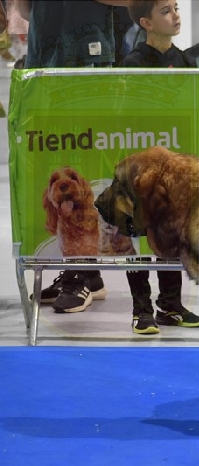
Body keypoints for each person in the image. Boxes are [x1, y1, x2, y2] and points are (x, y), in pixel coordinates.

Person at [20, 0, 129, 313]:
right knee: (55, 153)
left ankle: (78, 274)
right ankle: (86, 273)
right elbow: (25, 8)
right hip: (45, 55)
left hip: (89, 57)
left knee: (83, 158)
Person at [121, 0, 199, 334]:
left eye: (176, 8)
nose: (176, 15)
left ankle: (171, 306)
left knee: (171, 234)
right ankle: (140, 309)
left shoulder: (187, 61)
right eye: (166, 11)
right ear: (146, 22)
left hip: (176, 164)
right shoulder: (133, 63)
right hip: (142, 165)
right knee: (139, 236)